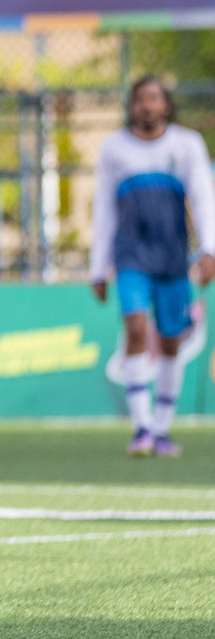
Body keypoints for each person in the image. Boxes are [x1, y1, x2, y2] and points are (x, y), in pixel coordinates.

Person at [90, 74, 215, 458]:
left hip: (173, 260)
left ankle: (162, 429)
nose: (147, 105)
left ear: (166, 105)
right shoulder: (114, 149)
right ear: (131, 105)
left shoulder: (187, 144)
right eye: (140, 99)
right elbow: (103, 208)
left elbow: (203, 196)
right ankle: (141, 427)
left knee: (171, 340)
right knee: (136, 328)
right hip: (131, 259)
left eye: (154, 98)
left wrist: (209, 249)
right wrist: (98, 267)